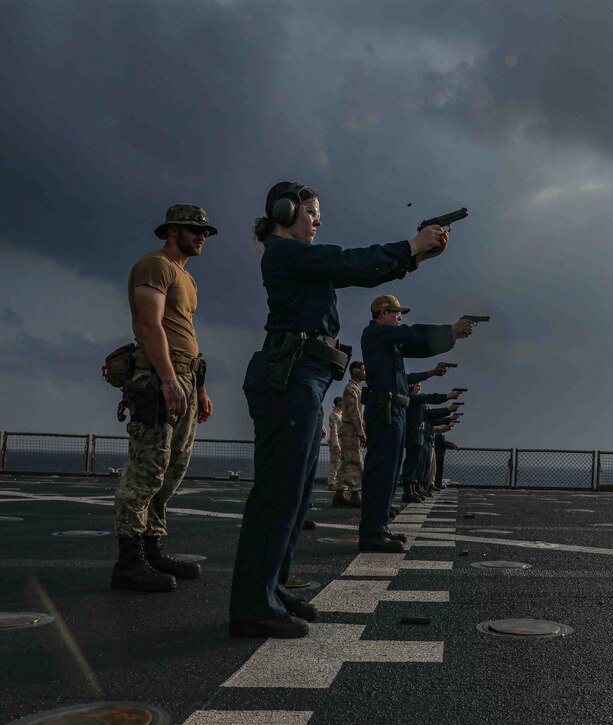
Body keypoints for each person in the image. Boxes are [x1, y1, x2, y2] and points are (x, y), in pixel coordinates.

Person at [228, 181, 448, 639]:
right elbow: (352, 264)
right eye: (310, 210)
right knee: (278, 493)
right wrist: (411, 246)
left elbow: (357, 271)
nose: (316, 219)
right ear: (284, 211)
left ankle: (272, 589)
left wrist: (414, 257)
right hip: (289, 378)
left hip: (302, 377)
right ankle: (253, 604)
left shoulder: (300, 261)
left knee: (294, 490)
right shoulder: (285, 253)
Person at [112, 205, 216, 593]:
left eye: (205, 231)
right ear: (172, 231)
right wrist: (170, 379)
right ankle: (129, 561)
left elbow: (184, 332)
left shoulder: (186, 278)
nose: (202, 236)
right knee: (146, 469)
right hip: (158, 379)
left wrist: (198, 387)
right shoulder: (154, 266)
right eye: (194, 229)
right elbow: (149, 325)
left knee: (172, 469)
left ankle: (152, 547)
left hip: (184, 377)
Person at [359, 295, 474, 552]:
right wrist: (449, 329)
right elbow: (414, 334)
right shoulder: (375, 333)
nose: (400, 319)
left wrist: (451, 338)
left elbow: (421, 346)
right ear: (383, 313)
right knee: (382, 470)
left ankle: (380, 527)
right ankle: (371, 532)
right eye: (396, 313)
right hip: (385, 409)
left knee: (389, 471)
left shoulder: (389, 341)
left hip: (394, 410)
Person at [402, 383, 460, 502]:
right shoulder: (413, 400)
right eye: (417, 386)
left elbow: (431, 416)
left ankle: (415, 487)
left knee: (421, 464)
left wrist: (448, 415)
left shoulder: (418, 407)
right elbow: (430, 412)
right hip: (415, 435)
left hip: (420, 437)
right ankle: (410, 489)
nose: (419, 387)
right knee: (414, 463)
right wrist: (447, 403)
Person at [335, 362, 367, 507]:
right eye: (363, 370)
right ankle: (355, 494)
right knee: (354, 461)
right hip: (351, 431)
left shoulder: (355, 388)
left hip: (348, 430)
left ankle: (340, 493)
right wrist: (361, 432)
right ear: (356, 371)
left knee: (344, 462)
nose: (365, 372)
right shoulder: (352, 389)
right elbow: (355, 414)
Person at [326, 397, 344, 492]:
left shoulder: (340, 415)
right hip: (335, 442)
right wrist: (336, 444)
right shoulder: (334, 416)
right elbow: (334, 431)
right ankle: (331, 483)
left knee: (338, 463)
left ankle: (335, 481)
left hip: (341, 441)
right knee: (335, 462)